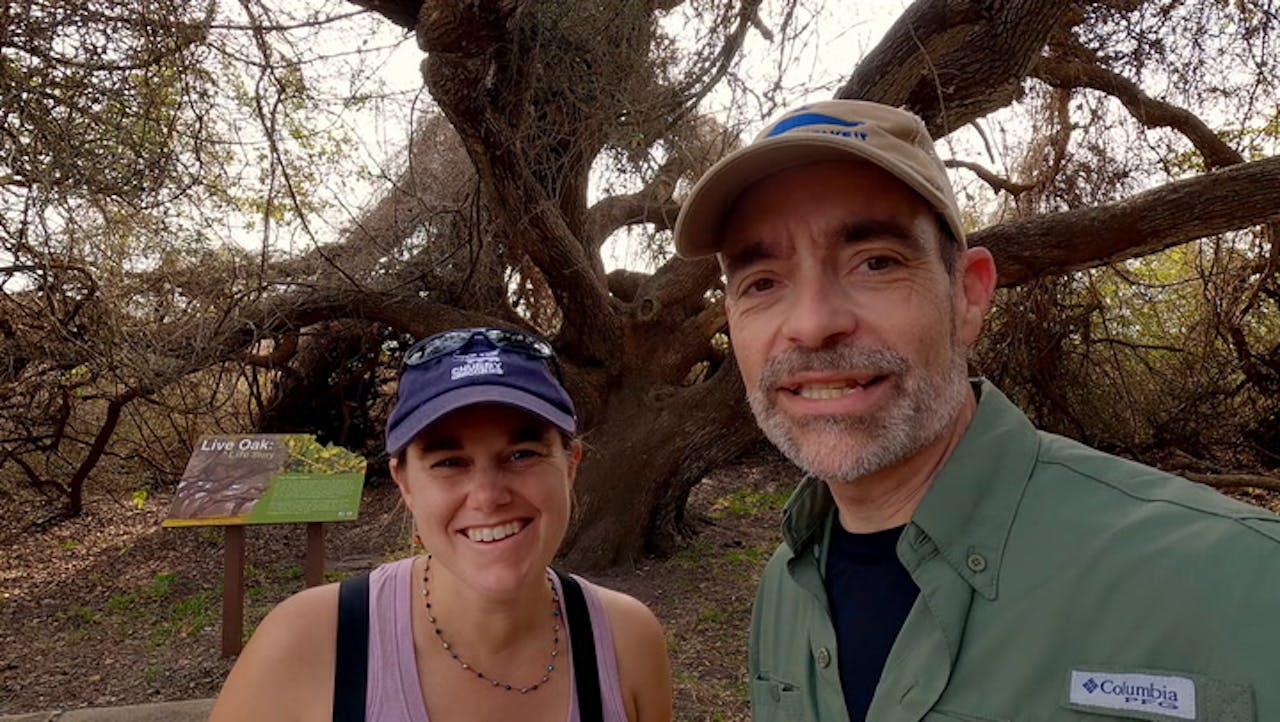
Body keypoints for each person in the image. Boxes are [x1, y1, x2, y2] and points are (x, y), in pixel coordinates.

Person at [674, 99, 1280, 721]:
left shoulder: (1246, 585)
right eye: (763, 282)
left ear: (968, 294)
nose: (811, 324)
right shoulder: (783, 590)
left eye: (875, 262)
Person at [209, 327, 673, 722]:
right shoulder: (307, 645)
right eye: (450, 462)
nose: (489, 496)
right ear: (405, 483)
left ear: (570, 466)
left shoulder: (624, 643)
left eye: (522, 454)